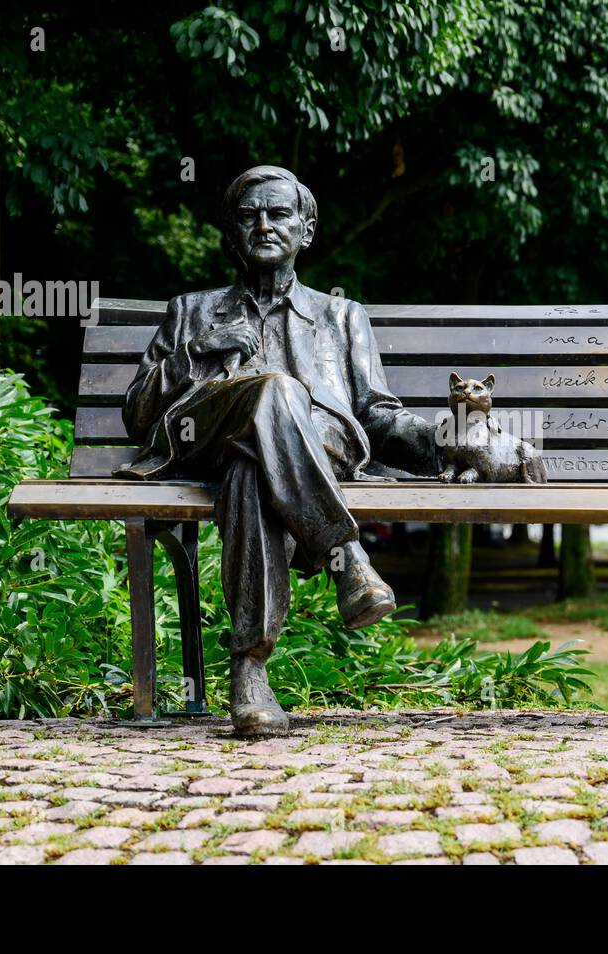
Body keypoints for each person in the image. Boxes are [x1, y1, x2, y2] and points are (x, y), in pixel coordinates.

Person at [118, 165, 512, 736]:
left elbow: (377, 415)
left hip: (303, 450)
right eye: (249, 215)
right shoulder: (192, 312)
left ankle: (250, 670)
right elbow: (138, 415)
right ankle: (348, 562)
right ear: (231, 233)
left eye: (278, 213)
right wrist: (198, 351)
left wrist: (456, 444)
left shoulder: (341, 315)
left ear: (305, 230)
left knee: (250, 469)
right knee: (273, 394)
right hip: (200, 439)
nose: (263, 225)